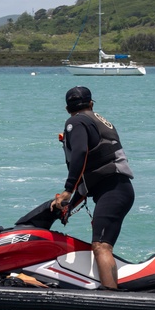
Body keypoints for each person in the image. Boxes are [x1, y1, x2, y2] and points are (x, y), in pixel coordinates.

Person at [51, 86, 134, 289]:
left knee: (101, 246)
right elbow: (94, 169)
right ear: (91, 103)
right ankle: (112, 290)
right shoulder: (98, 120)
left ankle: (110, 299)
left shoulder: (76, 121)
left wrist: (67, 191)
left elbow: (80, 153)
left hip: (112, 190)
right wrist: (69, 205)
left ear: (66, 108)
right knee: (102, 244)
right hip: (118, 188)